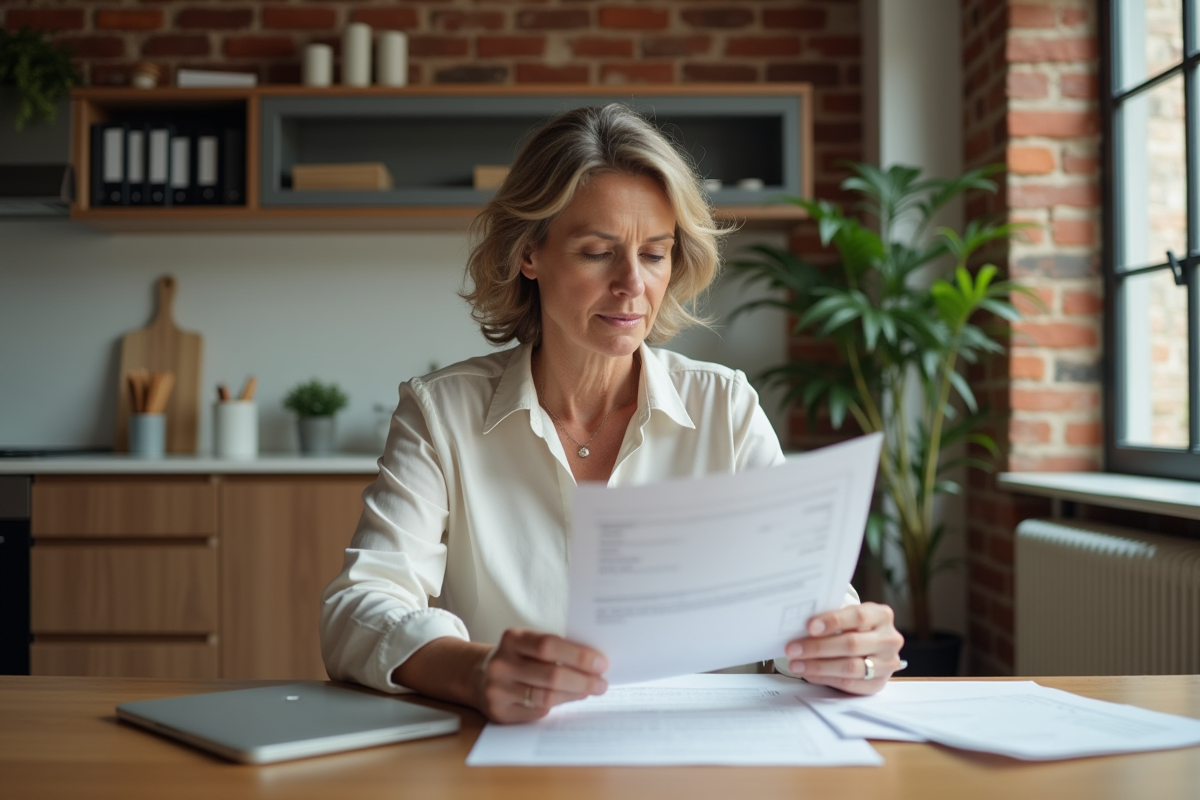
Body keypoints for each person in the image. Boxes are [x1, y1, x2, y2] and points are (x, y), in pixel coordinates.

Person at [320, 103, 905, 723]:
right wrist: (475, 670)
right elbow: (358, 607)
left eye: (654, 254)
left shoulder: (724, 407)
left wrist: (850, 648)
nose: (633, 284)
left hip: (706, 763)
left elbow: (803, 605)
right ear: (529, 254)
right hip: (513, 762)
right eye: (598, 252)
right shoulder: (441, 414)